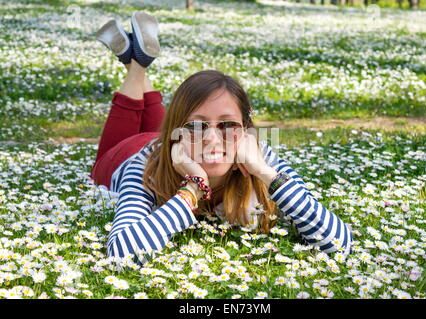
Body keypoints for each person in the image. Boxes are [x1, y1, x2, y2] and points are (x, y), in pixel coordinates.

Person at [91, 12, 353, 263]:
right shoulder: (145, 166)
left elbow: (340, 245)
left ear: (245, 128)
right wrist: (193, 186)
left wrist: (265, 173)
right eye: (196, 126)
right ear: (177, 130)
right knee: (127, 120)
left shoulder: (259, 157)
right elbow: (122, 255)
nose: (212, 139)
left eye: (227, 124)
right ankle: (136, 67)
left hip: (167, 139)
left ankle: (134, 62)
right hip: (122, 155)